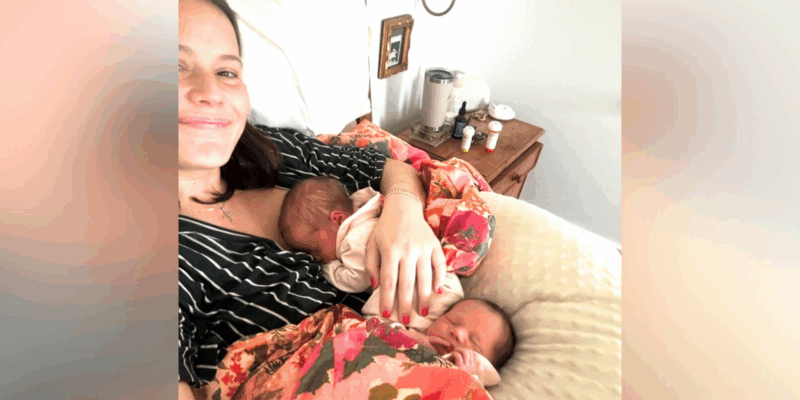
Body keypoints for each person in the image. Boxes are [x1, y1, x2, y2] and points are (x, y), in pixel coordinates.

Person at [178, 0, 447, 393]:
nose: (211, 92)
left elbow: (390, 167)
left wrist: (404, 215)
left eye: (226, 71)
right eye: (175, 67)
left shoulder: (272, 150)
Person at [278, 176, 464, 331]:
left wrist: (328, 268)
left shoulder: (353, 241)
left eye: (316, 249)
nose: (317, 257)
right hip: (439, 281)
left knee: (378, 326)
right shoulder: (367, 211)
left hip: (421, 291)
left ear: (337, 219)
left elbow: (358, 280)